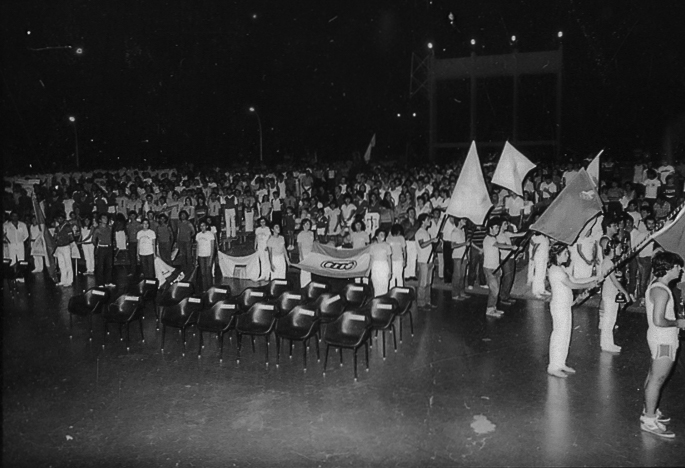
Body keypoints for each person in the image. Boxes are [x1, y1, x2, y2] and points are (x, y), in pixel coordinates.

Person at [640, 251, 684, 438]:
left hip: (660, 338)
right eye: (677, 266)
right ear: (668, 267)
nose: (680, 270)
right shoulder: (661, 291)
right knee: (657, 379)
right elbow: (659, 320)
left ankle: (649, 411)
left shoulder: (659, 286)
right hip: (663, 340)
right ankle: (649, 420)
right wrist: (678, 323)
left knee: (653, 376)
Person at [546, 243, 597, 378]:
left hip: (565, 305)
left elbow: (575, 279)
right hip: (559, 306)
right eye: (565, 253)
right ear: (557, 255)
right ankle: (553, 367)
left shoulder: (561, 268)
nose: (568, 255)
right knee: (559, 335)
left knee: (565, 335)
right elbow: (572, 285)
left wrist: (594, 278)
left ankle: (560, 363)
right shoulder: (555, 270)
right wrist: (589, 284)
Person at [599, 240, 632, 353]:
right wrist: (625, 292)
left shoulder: (609, 262)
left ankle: (608, 343)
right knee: (609, 320)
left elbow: (611, 276)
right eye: (619, 248)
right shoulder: (608, 263)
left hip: (611, 293)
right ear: (612, 248)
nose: (621, 250)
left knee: (611, 319)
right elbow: (614, 281)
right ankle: (606, 344)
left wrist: (617, 274)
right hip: (609, 293)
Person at [415, 213, 439, 309]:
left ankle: (427, 302)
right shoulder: (420, 232)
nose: (430, 221)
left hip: (429, 260)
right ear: (423, 221)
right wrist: (432, 240)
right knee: (423, 283)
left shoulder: (426, 232)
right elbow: (422, 245)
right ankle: (421, 303)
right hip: (423, 261)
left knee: (428, 283)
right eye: (428, 219)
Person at [369, 228, 392, 296]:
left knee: (384, 285)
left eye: (384, 234)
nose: (383, 236)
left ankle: (383, 300)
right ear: (376, 236)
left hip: (384, 266)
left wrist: (390, 271)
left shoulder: (387, 245)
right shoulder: (372, 246)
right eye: (381, 234)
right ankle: (376, 300)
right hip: (375, 266)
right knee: (376, 285)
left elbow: (389, 259)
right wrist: (369, 270)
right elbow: (371, 259)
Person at [450, 217, 469, 301]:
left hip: (463, 256)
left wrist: (467, 256)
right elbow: (453, 245)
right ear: (458, 221)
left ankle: (461, 292)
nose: (465, 221)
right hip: (457, 257)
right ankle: (455, 294)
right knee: (457, 276)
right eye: (463, 219)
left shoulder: (462, 231)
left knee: (462, 276)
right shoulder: (454, 232)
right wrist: (464, 243)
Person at [92, 213, 114, 286]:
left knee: (109, 265)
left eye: (106, 218)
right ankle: (100, 283)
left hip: (109, 248)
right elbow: (93, 240)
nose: (105, 219)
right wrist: (97, 246)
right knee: (100, 266)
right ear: (100, 220)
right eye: (103, 218)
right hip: (101, 248)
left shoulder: (109, 228)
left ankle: (108, 281)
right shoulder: (97, 229)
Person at [53, 213, 74, 287]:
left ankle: (69, 281)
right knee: (61, 264)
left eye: (61, 218)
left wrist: (67, 242)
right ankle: (63, 280)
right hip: (59, 247)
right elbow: (54, 237)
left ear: (64, 219)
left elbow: (71, 238)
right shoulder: (57, 228)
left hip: (66, 247)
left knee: (68, 264)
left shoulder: (67, 227)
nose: (60, 220)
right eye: (58, 219)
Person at [195, 219, 215, 292]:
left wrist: (211, 258)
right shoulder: (198, 235)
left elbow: (212, 247)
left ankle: (210, 289)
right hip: (201, 256)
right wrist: (196, 258)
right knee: (203, 273)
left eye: (203, 225)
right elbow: (197, 247)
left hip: (208, 256)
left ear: (206, 226)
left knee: (208, 273)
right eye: (201, 226)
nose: (202, 227)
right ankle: (204, 289)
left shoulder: (210, 234)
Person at [176, 210, 196, 276]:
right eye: (182, 215)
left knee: (189, 255)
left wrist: (190, 237)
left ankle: (190, 268)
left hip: (187, 241)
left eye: (184, 215)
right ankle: (183, 268)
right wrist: (177, 240)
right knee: (182, 255)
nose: (183, 216)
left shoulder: (189, 223)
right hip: (181, 240)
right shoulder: (179, 223)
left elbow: (193, 231)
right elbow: (178, 232)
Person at [297, 218, 314, 287]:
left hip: (310, 254)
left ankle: (308, 285)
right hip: (304, 254)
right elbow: (299, 247)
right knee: (304, 271)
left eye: (309, 224)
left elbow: (312, 245)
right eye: (307, 224)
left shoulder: (311, 233)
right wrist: (302, 258)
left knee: (309, 271)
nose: (309, 225)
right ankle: (303, 286)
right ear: (303, 225)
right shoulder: (300, 234)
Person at [125, 211, 143, 277]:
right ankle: (133, 271)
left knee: (141, 257)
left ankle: (142, 271)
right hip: (131, 242)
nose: (132, 217)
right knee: (132, 258)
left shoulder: (139, 224)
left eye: (133, 215)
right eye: (131, 215)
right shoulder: (128, 225)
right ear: (129, 216)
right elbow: (127, 234)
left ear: (136, 216)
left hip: (138, 242)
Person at [254, 217, 272, 281]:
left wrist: (267, 246)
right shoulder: (258, 229)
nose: (262, 223)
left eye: (263, 222)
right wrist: (255, 245)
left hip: (265, 245)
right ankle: (262, 275)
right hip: (260, 246)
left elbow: (270, 238)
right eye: (261, 222)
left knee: (267, 260)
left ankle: (268, 275)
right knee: (262, 260)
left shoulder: (267, 229)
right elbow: (256, 238)